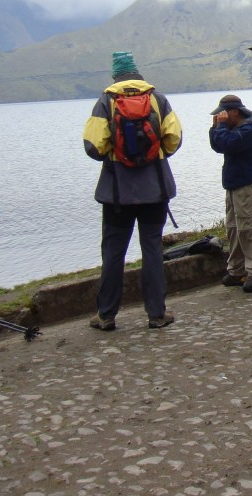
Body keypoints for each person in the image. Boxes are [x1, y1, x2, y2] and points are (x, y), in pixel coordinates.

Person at [82, 51, 182, 330]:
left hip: (117, 192)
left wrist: (117, 154)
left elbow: (93, 147)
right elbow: (174, 139)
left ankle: (106, 315)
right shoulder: (158, 99)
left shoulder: (106, 101)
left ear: (115, 75)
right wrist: (153, 155)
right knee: (152, 249)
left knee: (114, 252)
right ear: (137, 72)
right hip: (155, 189)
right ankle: (156, 314)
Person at [209, 94, 252, 293]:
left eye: (224, 113)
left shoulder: (250, 129)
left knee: (249, 228)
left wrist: (221, 127)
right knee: (234, 229)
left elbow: (228, 144)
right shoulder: (233, 130)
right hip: (233, 185)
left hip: (246, 185)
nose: (222, 117)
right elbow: (218, 146)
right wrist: (215, 128)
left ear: (235, 111)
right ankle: (237, 270)